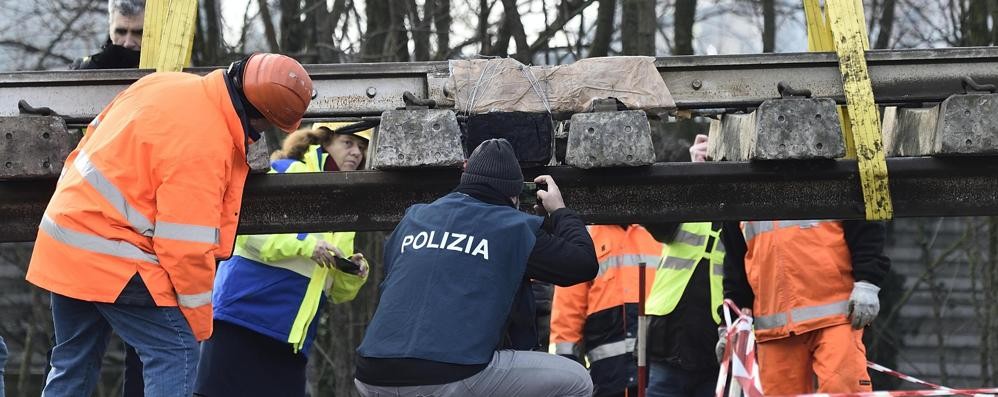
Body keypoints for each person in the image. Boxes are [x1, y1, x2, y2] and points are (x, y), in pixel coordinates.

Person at [26, 52, 314, 397]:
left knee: (73, 362)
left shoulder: (165, 82)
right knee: (176, 352)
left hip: (65, 235)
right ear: (260, 117)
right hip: (110, 251)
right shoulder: (206, 143)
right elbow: (185, 247)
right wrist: (198, 322)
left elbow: (93, 140)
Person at [354, 138, 598, 397]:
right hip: (449, 374)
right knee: (577, 380)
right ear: (514, 196)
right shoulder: (513, 228)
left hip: (372, 374)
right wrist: (559, 212)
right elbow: (583, 264)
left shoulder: (414, 217)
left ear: (465, 177)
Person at [194, 123, 373, 397]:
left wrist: (352, 273)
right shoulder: (285, 171)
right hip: (240, 319)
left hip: (291, 339)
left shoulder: (349, 205)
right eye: (348, 143)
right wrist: (305, 245)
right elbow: (242, 232)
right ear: (324, 142)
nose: (356, 153)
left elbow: (336, 292)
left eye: (362, 147)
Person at [719, 192, 891, 391]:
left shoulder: (825, 176)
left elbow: (866, 225)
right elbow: (736, 262)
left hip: (836, 317)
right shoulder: (742, 191)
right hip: (775, 330)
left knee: (842, 389)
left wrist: (867, 282)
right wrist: (731, 323)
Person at [643, 135, 726, 397]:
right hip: (667, 345)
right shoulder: (688, 198)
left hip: (716, 348)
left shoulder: (744, 210)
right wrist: (691, 174)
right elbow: (654, 217)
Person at [549, 224, 661, 397]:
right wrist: (566, 365)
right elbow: (568, 309)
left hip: (653, 368)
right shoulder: (585, 237)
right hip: (607, 372)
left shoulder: (659, 231)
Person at [71, 0, 145, 70]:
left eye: (138, 33)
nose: (128, 43)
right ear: (110, 28)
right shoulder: (91, 64)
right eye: (121, 32)